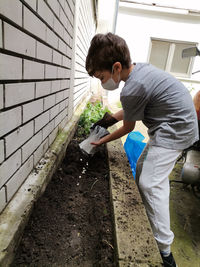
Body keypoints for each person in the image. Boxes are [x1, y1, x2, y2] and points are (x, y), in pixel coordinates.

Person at [85, 32, 198, 267]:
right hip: (174, 125)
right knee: (143, 169)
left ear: (116, 67)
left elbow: (128, 126)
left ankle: (165, 251)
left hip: (175, 130)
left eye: (101, 76)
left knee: (149, 182)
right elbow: (131, 108)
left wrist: (100, 141)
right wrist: (106, 120)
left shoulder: (132, 88)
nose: (101, 81)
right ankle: (153, 216)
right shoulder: (138, 72)